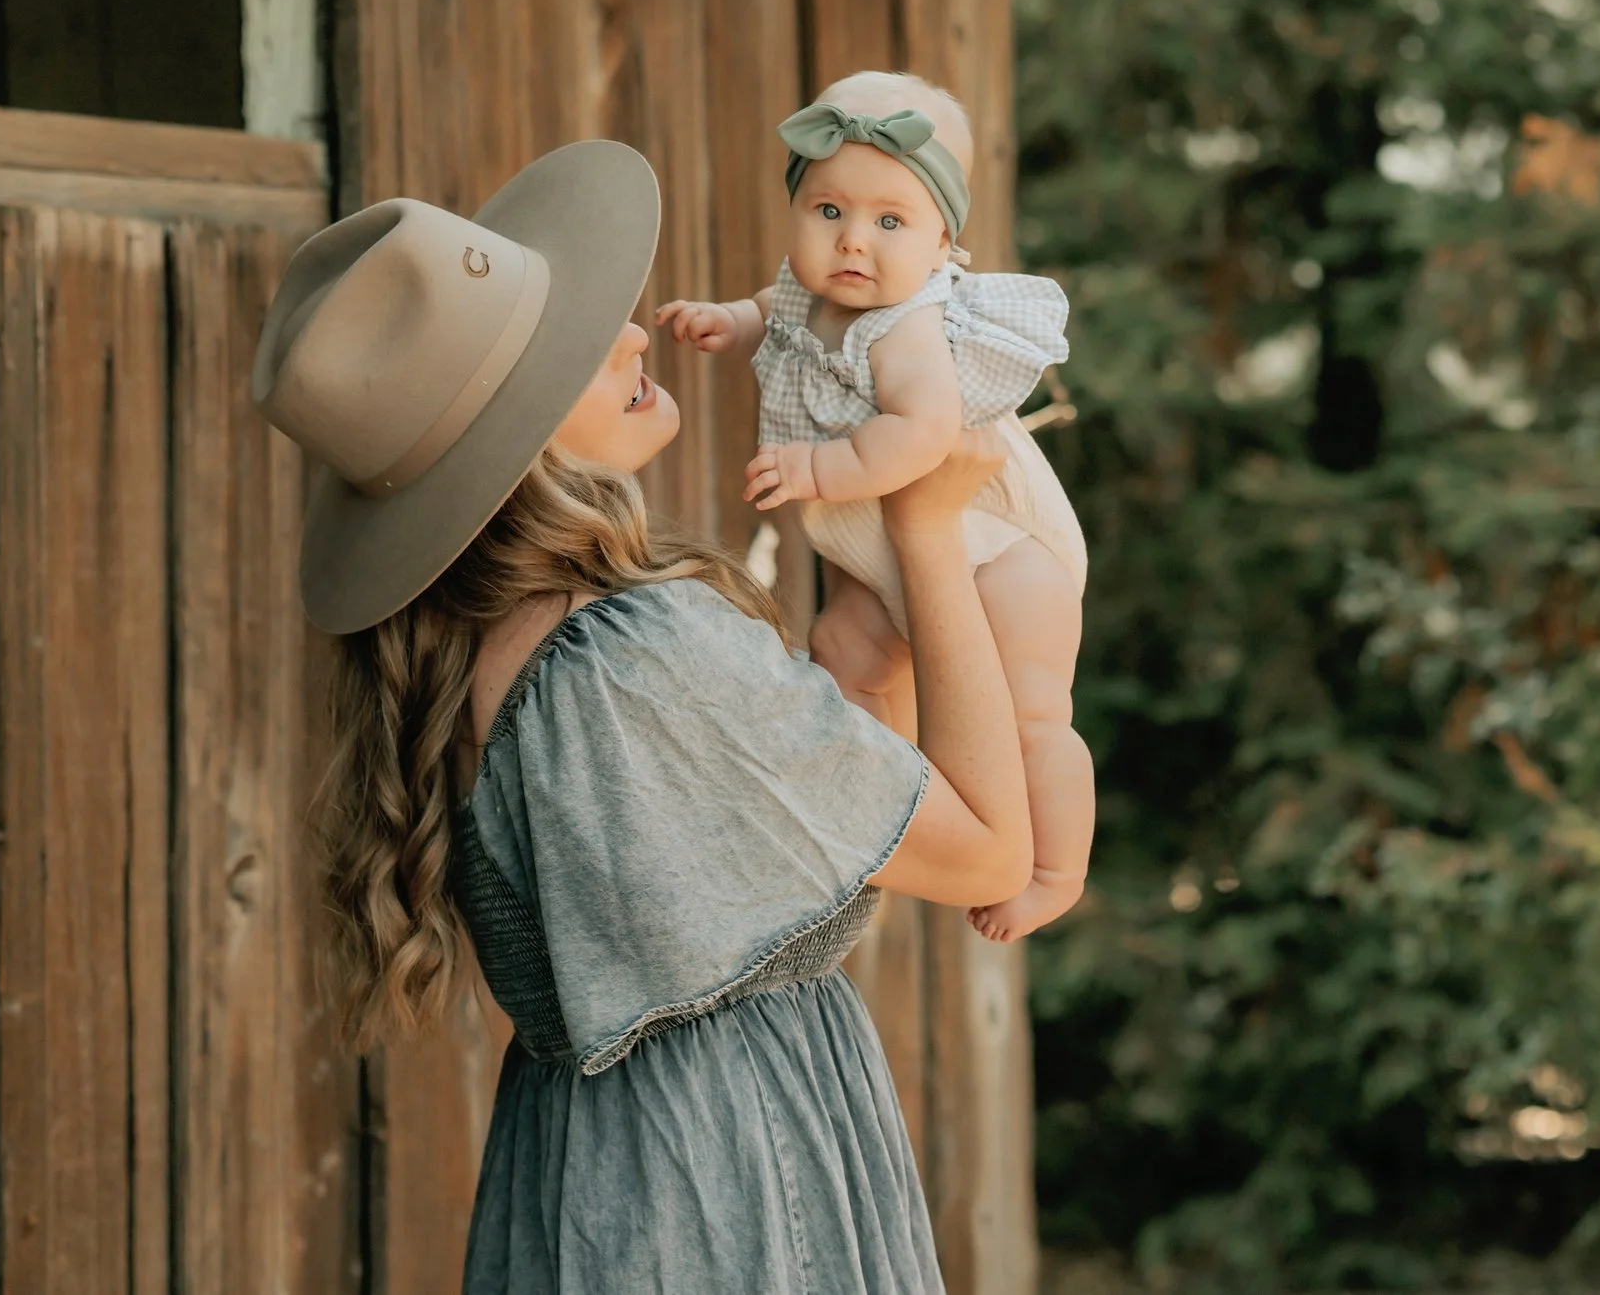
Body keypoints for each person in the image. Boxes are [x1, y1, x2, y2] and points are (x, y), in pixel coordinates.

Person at [249, 140, 1030, 1292]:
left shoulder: (469, 654)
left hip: (577, 1174)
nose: (627, 338)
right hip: (728, 1176)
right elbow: (987, 852)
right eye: (566, 349)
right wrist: (924, 533)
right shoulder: (635, 656)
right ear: (500, 450)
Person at [653, 70, 1094, 943]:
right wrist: (727, 322)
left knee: (1031, 712)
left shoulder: (909, 329)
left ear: (942, 241)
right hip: (891, 555)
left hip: (999, 549)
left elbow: (924, 434)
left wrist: (820, 469)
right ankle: (887, 804)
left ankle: (1054, 870)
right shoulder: (811, 291)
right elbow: (772, 316)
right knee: (842, 652)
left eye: (889, 222)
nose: (854, 242)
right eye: (829, 213)